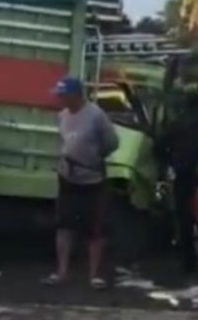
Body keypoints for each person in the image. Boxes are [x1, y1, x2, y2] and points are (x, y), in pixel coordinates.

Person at [42, 77, 119, 289]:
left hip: (92, 180)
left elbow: (112, 142)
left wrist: (94, 157)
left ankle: (94, 275)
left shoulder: (96, 116)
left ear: (75, 95)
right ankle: (61, 272)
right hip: (68, 178)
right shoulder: (62, 116)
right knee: (64, 226)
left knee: (94, 229)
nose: (60, 99)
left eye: (63, 95)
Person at [155, 94, 198, 274]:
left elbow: (159, 146)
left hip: (182, 176)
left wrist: (170, 163)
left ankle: (188, 261)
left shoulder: (176, 126)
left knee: (185, 220)